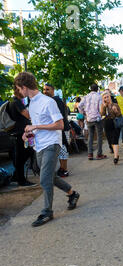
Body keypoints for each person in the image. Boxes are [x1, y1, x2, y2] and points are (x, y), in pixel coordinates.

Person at [14, 72, 80, 227]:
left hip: (52, 143)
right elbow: (37, 123)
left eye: (19, 89)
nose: (19, 92)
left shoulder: (47, 101)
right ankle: (72, 194)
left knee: (44, 179)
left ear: (24, 87)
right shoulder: (32, 102)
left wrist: (36, 126)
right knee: (49, 176)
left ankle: (47, 211)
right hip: (39, 144)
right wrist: (28, 132)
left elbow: (60, 125)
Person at [8, 87, 36, 187]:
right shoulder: (16, 101)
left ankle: (16, 176)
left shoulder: (13, 101)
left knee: (23, 155)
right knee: (24, 154)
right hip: (21, 133)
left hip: (18, 132)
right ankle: (21, 180)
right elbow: (28, 115)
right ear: (18, 90)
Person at [43, 84, 71, 178]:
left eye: (48, 89)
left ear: (53, 90)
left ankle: (64, 169)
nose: (45, 91)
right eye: (44, 89)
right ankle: (62, 169)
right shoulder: (52, 100)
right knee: (61, 149)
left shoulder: (55, 100)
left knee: (63, 149)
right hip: (59, 128)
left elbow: (59, 116)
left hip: (62, 128)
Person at [78, 84, 107, 160]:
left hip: (89, 119)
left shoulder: (86, 97)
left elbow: (79, 106)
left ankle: (90, 154)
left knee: (90, 136)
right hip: (97, 118)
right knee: (99, 136)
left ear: (90, 89)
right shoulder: (99, 96)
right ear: (97, 89)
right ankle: (99, 154)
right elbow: (101, 108)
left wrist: (84, 113)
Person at [100, 92, 121, 165]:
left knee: (115, 140)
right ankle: (116, 153)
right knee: (110, 141)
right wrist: (104, 106)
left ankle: (115, 157)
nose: (106, 98)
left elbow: (119, 115)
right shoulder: (103, 106)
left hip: (115, 124)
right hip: (107, 124)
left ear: (110, 97)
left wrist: (116, 111)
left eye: (107, 97)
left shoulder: (115, 105)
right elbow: (102, 114)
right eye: (105, 97)